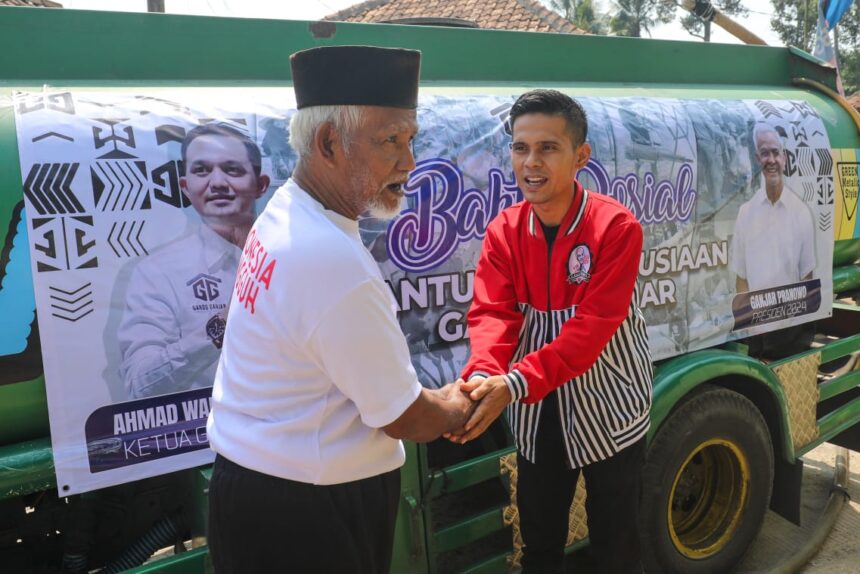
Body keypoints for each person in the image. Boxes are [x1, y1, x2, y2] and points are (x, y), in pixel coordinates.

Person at [205, 46, 474, 574]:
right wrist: (459, 406)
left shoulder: (288, 210)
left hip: (265, 493)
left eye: (411, 140)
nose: (409, 162)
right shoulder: (330, 260)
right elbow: (404, 416)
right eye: (389, 141)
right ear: (329, 142)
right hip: (303, 516)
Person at [448, 89, 653, 573]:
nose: (530, 162)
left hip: (610, 409)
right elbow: (492, 314)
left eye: (547, 148)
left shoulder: (616, 227)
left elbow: (591, 330)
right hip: (538, 417)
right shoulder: (505, 229)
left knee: (616, 547)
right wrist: (483, 377)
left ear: (580, 156)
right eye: (521, 148)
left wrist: (511, 384)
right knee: (538, 544)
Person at [118, 123, 269, 399]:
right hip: (213, 437)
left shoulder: (298, 257)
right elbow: (139, 385)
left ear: (261, 185)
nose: (219, 183)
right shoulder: (157, 274)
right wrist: (220, 328)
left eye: (232, 169)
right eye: (202, 170)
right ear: (186, 188)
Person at [730, 123, 817, 358]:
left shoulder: (801, 212)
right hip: (756, 334)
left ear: (784, 158)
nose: (771, 159)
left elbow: (807, 279)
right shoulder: (745, 213)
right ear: (758, 159)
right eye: (765, 153)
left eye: (776, 152)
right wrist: (752, 324)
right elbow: (741, 279)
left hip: (790, 334)